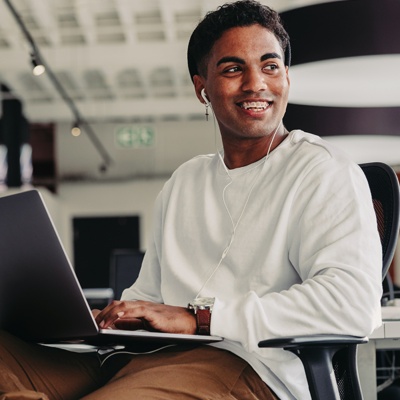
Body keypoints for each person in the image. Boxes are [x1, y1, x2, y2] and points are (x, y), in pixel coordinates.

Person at [0, 1, 382, 399]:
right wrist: (121, 315)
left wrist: (201, 318)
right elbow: (149, 293)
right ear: (203, 88)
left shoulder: (323, 171)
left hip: (249, 368)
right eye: (233, 69)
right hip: (143, 358)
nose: (256, 83)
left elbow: (351, 304)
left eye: (270, 66)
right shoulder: (186, 181)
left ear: (286, 76)